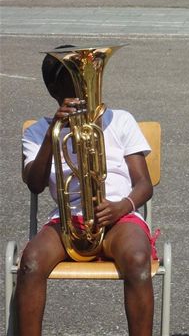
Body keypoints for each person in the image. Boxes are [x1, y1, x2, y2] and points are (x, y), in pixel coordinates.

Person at [16, 45, 158, 336]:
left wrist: (123, 205)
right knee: (30, 263)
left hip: (118, 217)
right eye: (75, 80)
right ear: (55, 88)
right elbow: (34, 183)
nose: (84, 88)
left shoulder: (119, 120)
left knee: (138, 260)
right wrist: (53, 133)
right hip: (67, 221)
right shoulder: (37, 132)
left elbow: (144, 185)